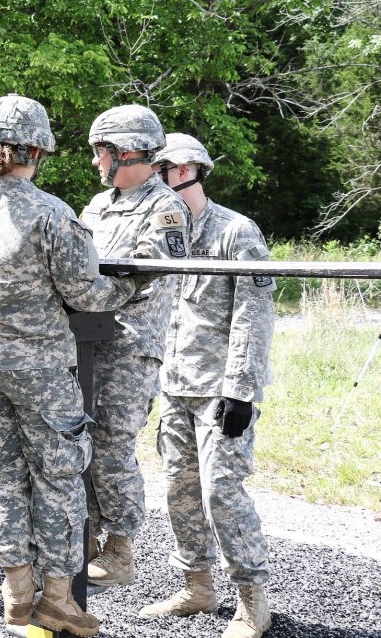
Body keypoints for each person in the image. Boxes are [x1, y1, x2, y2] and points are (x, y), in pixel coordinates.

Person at [0, 94, 145, 637]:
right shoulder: (52, 214)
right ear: (37, 150)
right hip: (37, 370)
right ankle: (57, 601)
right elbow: (87, 293)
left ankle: (16, 597)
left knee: (4, 478)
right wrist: (131, 285)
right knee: (57, 481)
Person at [139, 134, 275, 638]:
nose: (156, 176)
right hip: (175, 385)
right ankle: (197, 585)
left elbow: (254, 315)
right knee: (179, 490)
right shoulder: (165, 231)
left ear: (189, 169)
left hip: (221, 390)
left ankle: (252, 600)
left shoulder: (236, 232)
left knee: (223, 493)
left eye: (164, 167)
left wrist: (242, 390)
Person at [80, 104, 191, 587]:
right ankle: (81, 536)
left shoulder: (164, 207)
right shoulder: (97, 206)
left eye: (100, 152)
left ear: (124, 152)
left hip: (129, 347)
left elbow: (147, 268)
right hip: (84, 342)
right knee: (76, 441)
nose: (95, 162)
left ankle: (120, 548)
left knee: (112, 446)